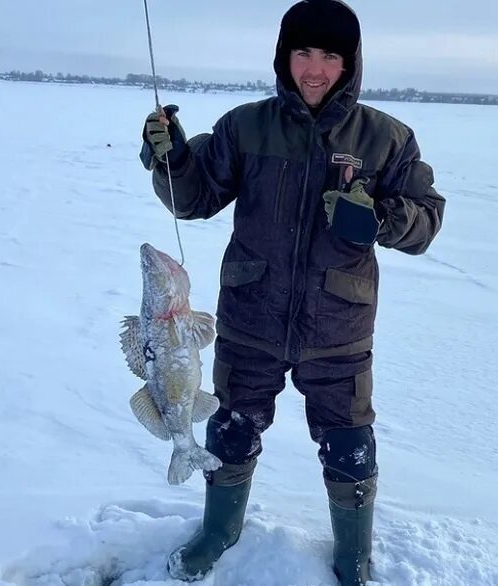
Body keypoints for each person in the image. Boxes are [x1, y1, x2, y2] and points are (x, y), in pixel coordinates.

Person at [140, 1, 445, 583]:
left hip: (339, 327)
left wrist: (378, 220)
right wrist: (173, 160)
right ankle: (219, 529)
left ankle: (353, 557)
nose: (314, 69)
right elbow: (194, 198)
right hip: (251, 318)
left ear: (350, 64)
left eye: (330, 56)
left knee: (350, 445)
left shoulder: (387, 139)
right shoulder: (244, 127)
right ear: (284, 57)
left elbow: (427, 219)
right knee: (230, 430)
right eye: (303, 52)